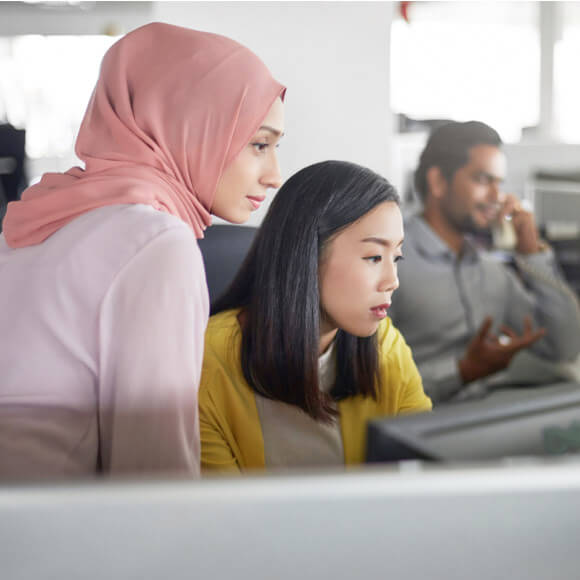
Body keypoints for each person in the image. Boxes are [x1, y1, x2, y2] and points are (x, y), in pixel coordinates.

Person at [0, 22, 285, 480]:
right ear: (193, 126)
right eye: (259, 144)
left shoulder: (44, 214)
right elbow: (155, 477)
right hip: (49, 538)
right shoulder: (156, 244)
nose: (274, 174)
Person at [199, 160, 432, 473]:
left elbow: (420, 476)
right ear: (307, 255)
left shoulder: (386, 347)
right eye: (374, 257)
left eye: (396, 257)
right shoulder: (206, 360)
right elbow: (222, 515)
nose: (393, 280)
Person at [388, 121, 580, 404]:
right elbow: (365, 382)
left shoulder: (492, 271)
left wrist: (532, 253)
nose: (497, 197)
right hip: (415, 427)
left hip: (483, 420)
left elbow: (562, 346)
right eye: (482, 180)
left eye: (499, 183)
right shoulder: (391, 262)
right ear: (439, 182)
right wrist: (463, 372)